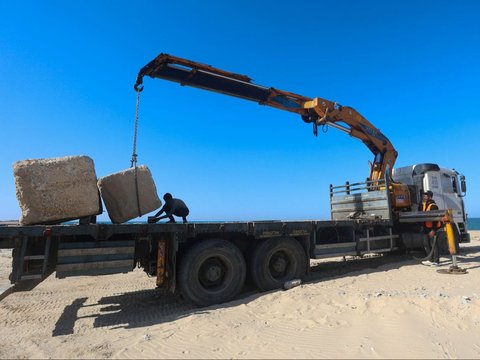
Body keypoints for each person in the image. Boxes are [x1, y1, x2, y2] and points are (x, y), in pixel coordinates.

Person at [419, 190, 442, 266]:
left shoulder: (433, 205)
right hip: (426, 228)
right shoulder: (424, 205)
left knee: (433, 245)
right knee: (426, 244)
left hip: (432, 228)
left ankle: (436, 261)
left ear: (430, 197)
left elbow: (435, 219)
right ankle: (430, 260)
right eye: (424, 196)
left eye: (425, 196)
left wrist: (433, 230)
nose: (424, 197)